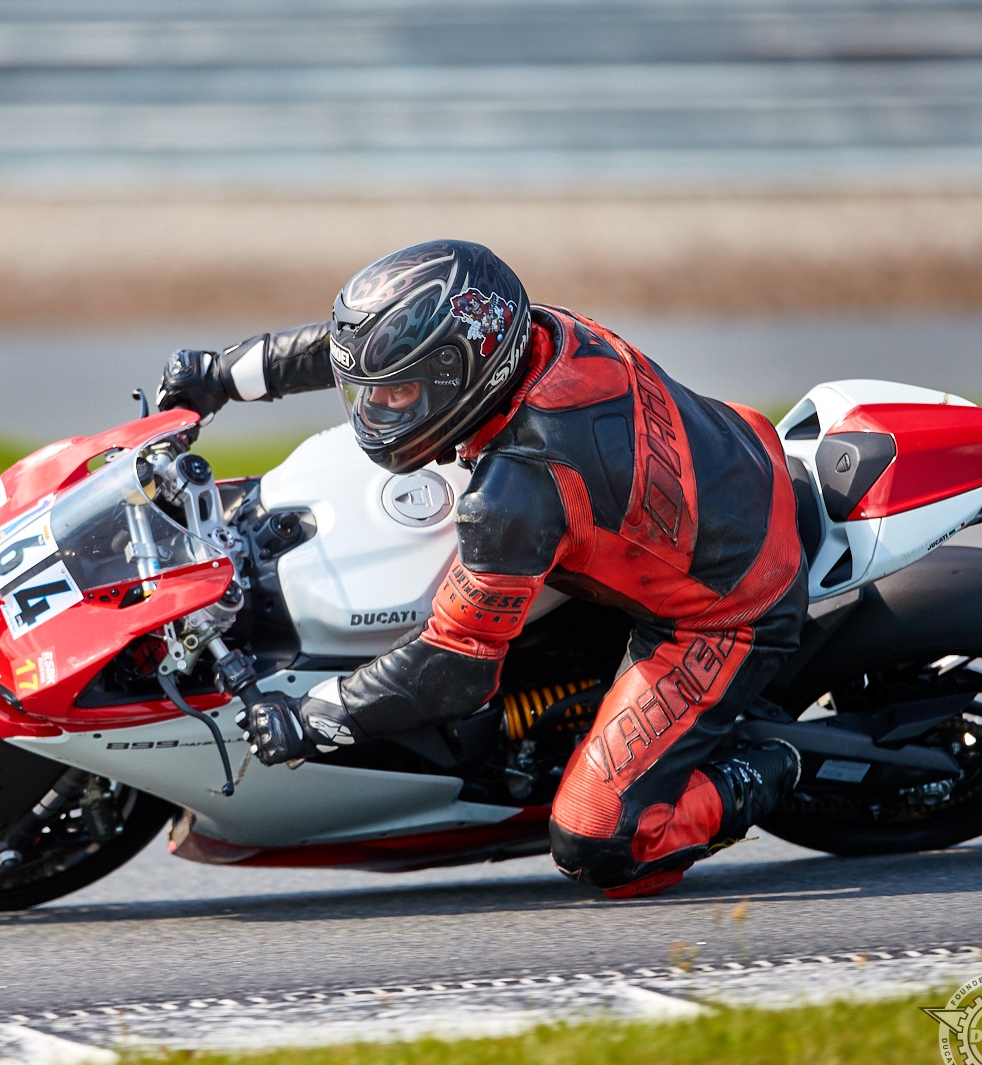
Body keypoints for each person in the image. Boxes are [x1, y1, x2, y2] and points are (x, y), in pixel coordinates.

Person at [156, 239, 805, 899]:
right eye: (373, 391)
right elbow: (359, 346)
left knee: (598, 840)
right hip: (731, 453)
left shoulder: (516, 493)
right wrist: (223, 372)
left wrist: (310, 716)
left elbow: (454, 668)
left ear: (457, 374)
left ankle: (780, 764)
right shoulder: (532, 333)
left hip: (731, 601)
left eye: (399, 392)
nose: (376, 409)